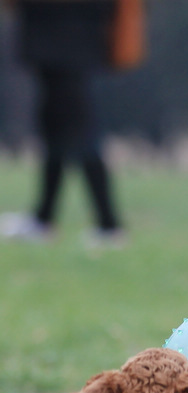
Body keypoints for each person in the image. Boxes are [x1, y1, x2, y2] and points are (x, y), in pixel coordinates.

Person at [0, 0, 144, 245]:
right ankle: (44, 218)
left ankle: (108, 225)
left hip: (70, 41)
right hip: (60, 41)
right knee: (56, 129)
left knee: (79, 130)